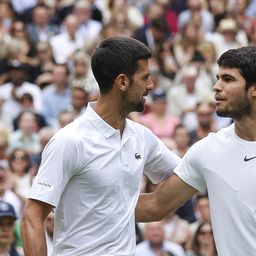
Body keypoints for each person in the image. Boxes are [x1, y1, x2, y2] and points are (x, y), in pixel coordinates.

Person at [20, 36, 181, 256]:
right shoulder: (70, 141)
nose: (151, 86)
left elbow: (183, 175)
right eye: (145, 77)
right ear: (122, 82)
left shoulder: (142, 138)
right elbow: (32, 217)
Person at [136, 46, 256, 255]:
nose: (216, 87)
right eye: (218, 78)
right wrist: (85, 202)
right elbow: (155, 205)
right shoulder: (207, 150)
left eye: (228, 79)